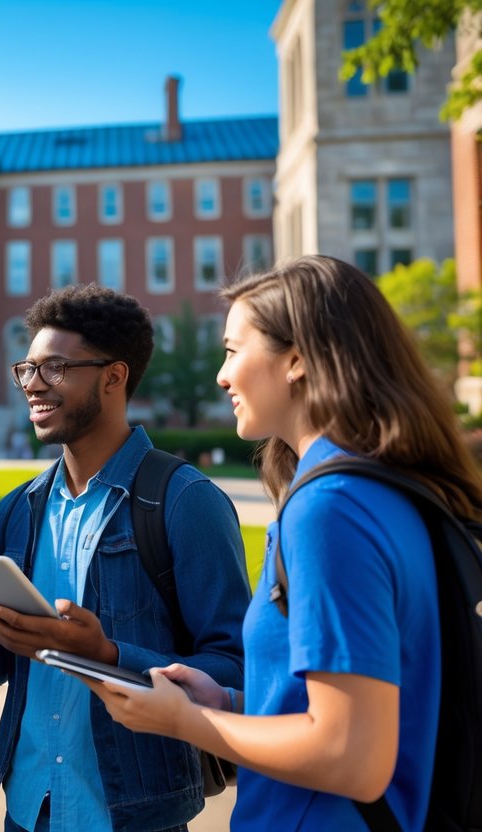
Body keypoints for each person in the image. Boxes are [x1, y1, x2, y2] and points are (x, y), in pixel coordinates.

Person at [87, 255, 480, 830]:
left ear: (295, 360)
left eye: (232, 350)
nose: (222, 376)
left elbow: (352, 759)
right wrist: (230, 705)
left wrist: (183, 723)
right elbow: (360, 715)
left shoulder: (332, 508)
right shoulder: (387, 487)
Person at [0, 284, 252, 832]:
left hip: (136, 813)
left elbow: (235, 665)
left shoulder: (185, 502)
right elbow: (2, 666)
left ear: (113, 377)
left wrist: (107, 653)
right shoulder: (16, 512)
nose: (33, 386)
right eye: (26, 370)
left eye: (53, 368)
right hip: (29, 807)